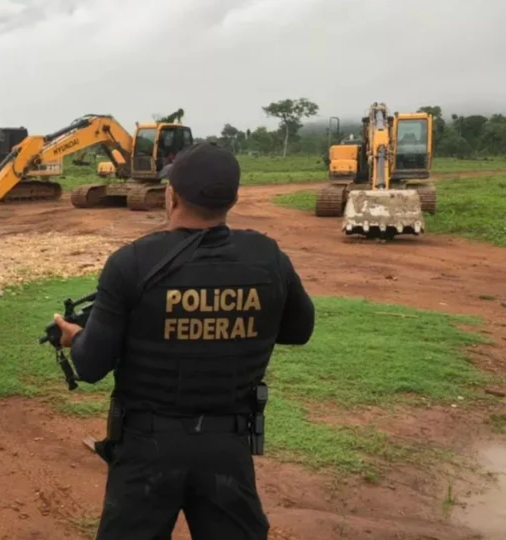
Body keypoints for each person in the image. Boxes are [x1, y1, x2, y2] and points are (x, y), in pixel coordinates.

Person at [52, 142, 315, 540]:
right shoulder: (267, 256)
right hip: (228, 445)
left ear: (171, 196)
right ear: (234, 198)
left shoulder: (131, 262)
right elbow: (299, 331)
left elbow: (90, 367)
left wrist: (76, 337)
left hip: (145, 448)